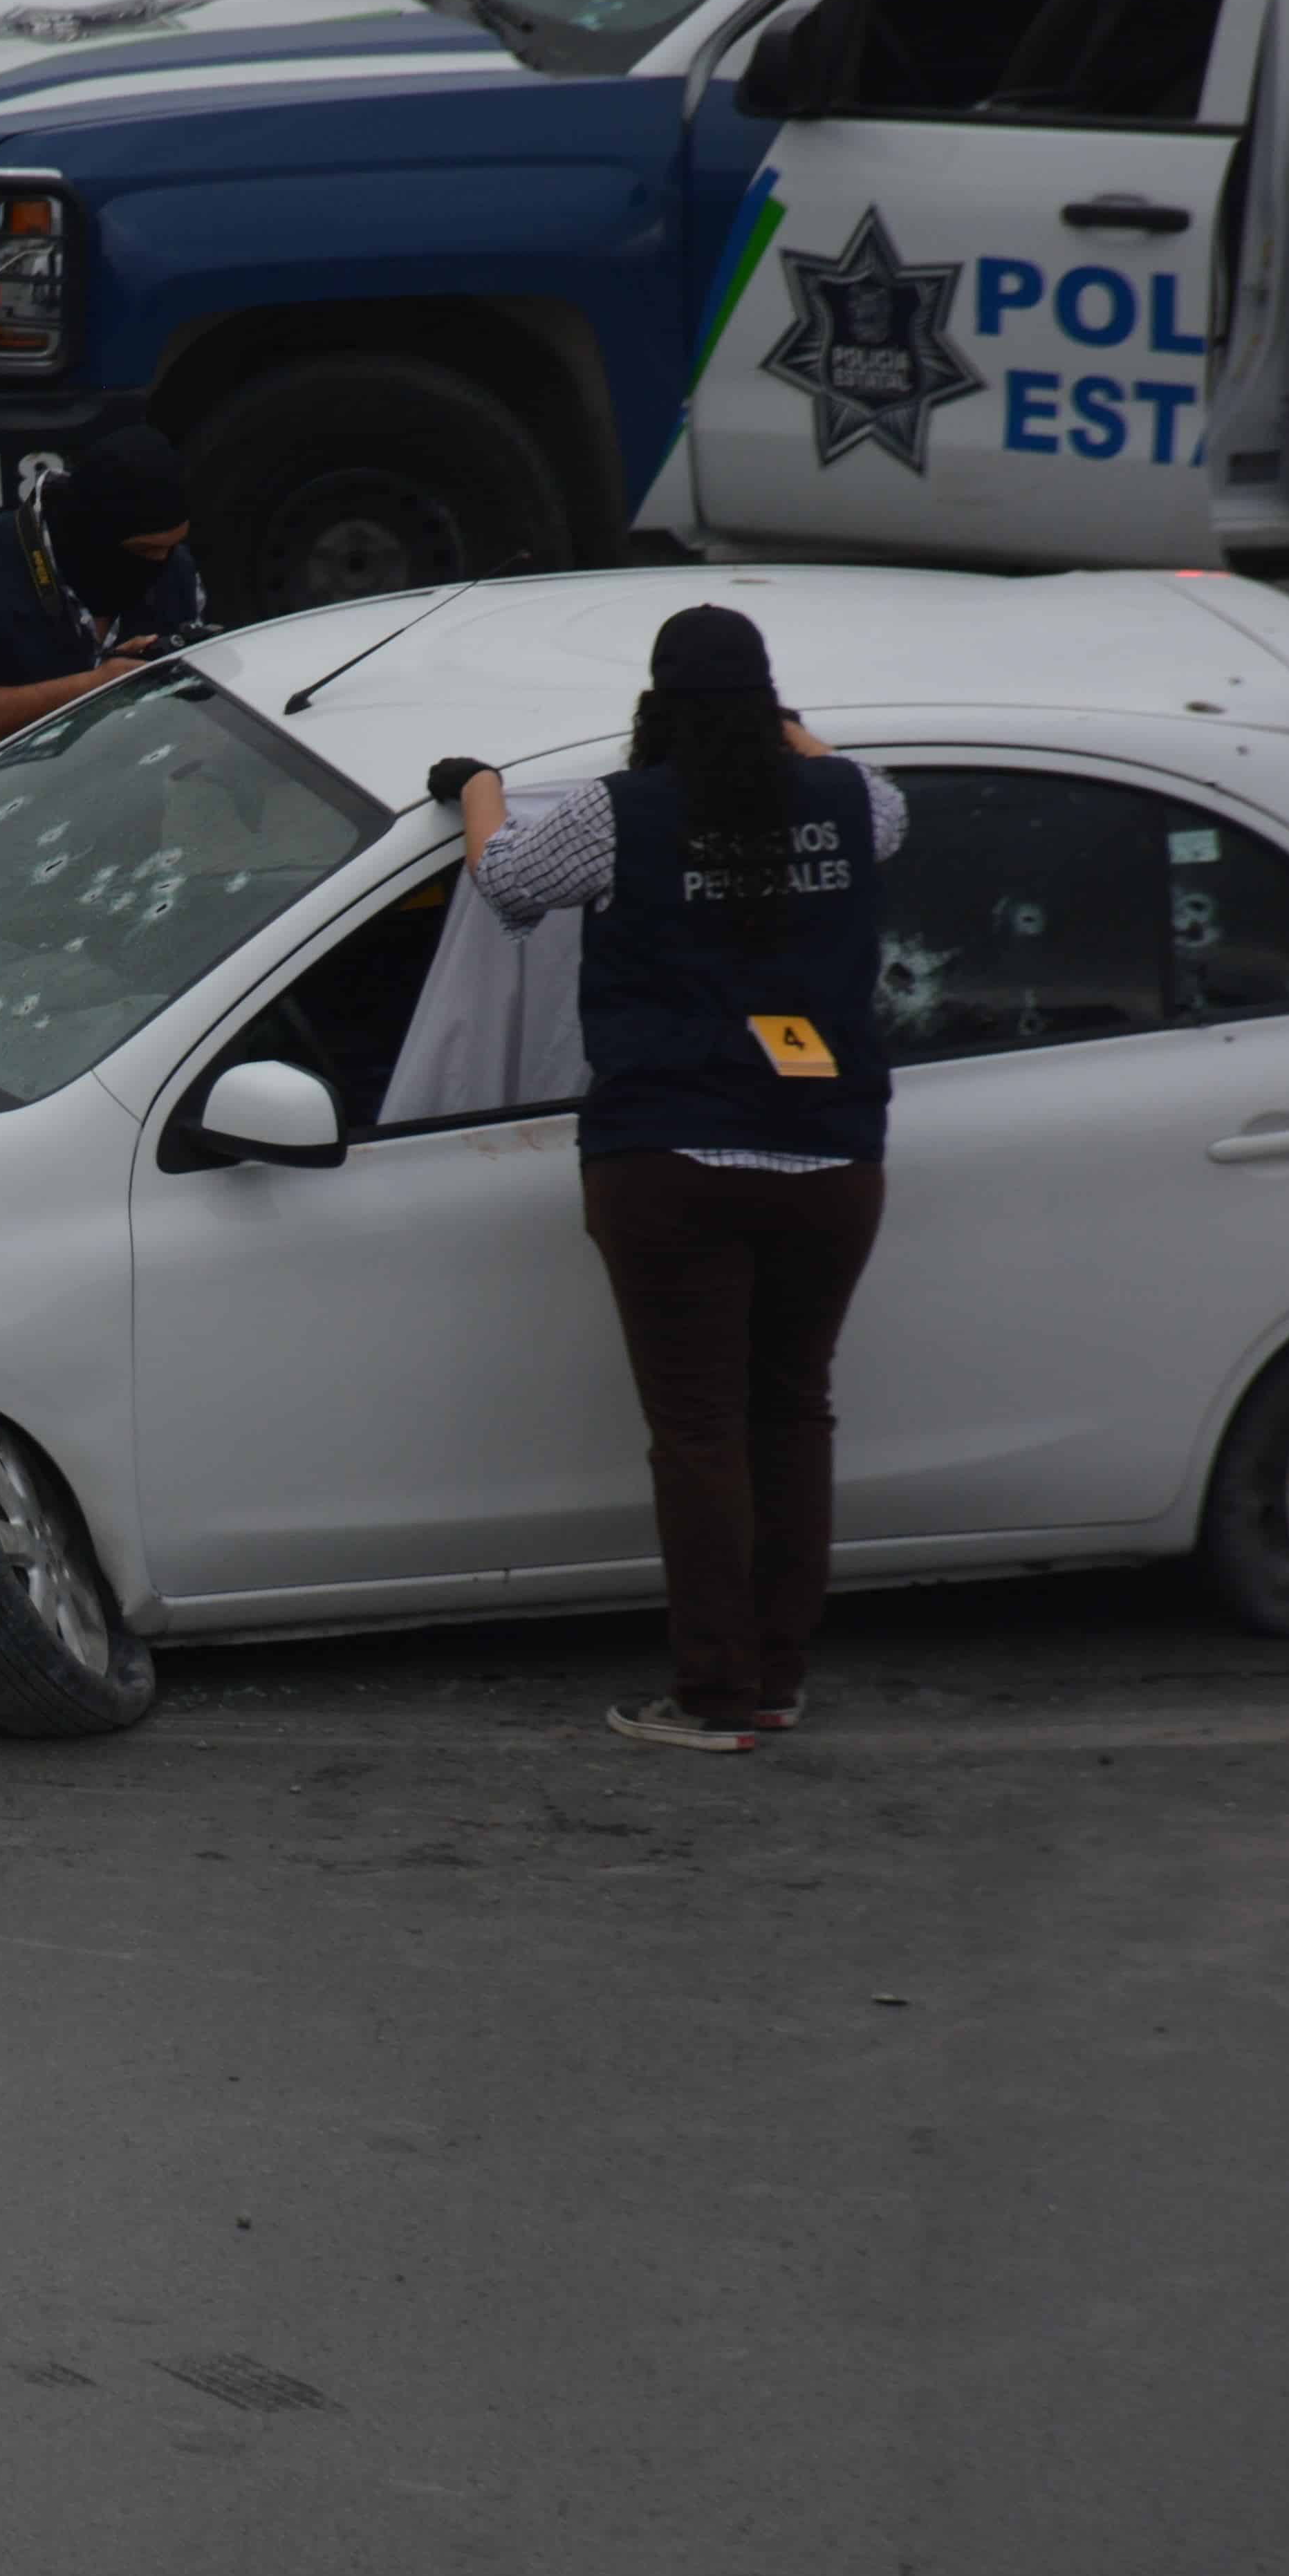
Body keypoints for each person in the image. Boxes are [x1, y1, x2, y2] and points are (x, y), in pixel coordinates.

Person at [433, 604, 909, 1752]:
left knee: (700, 1433)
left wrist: (479, 785)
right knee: (793, 1411)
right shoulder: (857, 806)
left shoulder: (619, 812)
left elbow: (506, 885)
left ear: (656, 703)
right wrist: (780, 723)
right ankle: (777, 1679)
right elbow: (848, 777)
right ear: (768, 704)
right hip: (830, 1151)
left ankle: (713, 1694)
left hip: (674, 1157)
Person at [0, 424, 205, 819]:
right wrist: (97, 689)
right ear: (91, 533)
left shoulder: (176, 574)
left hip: (106, 838)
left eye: (172, 546)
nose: (160, 563)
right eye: (145, 550)